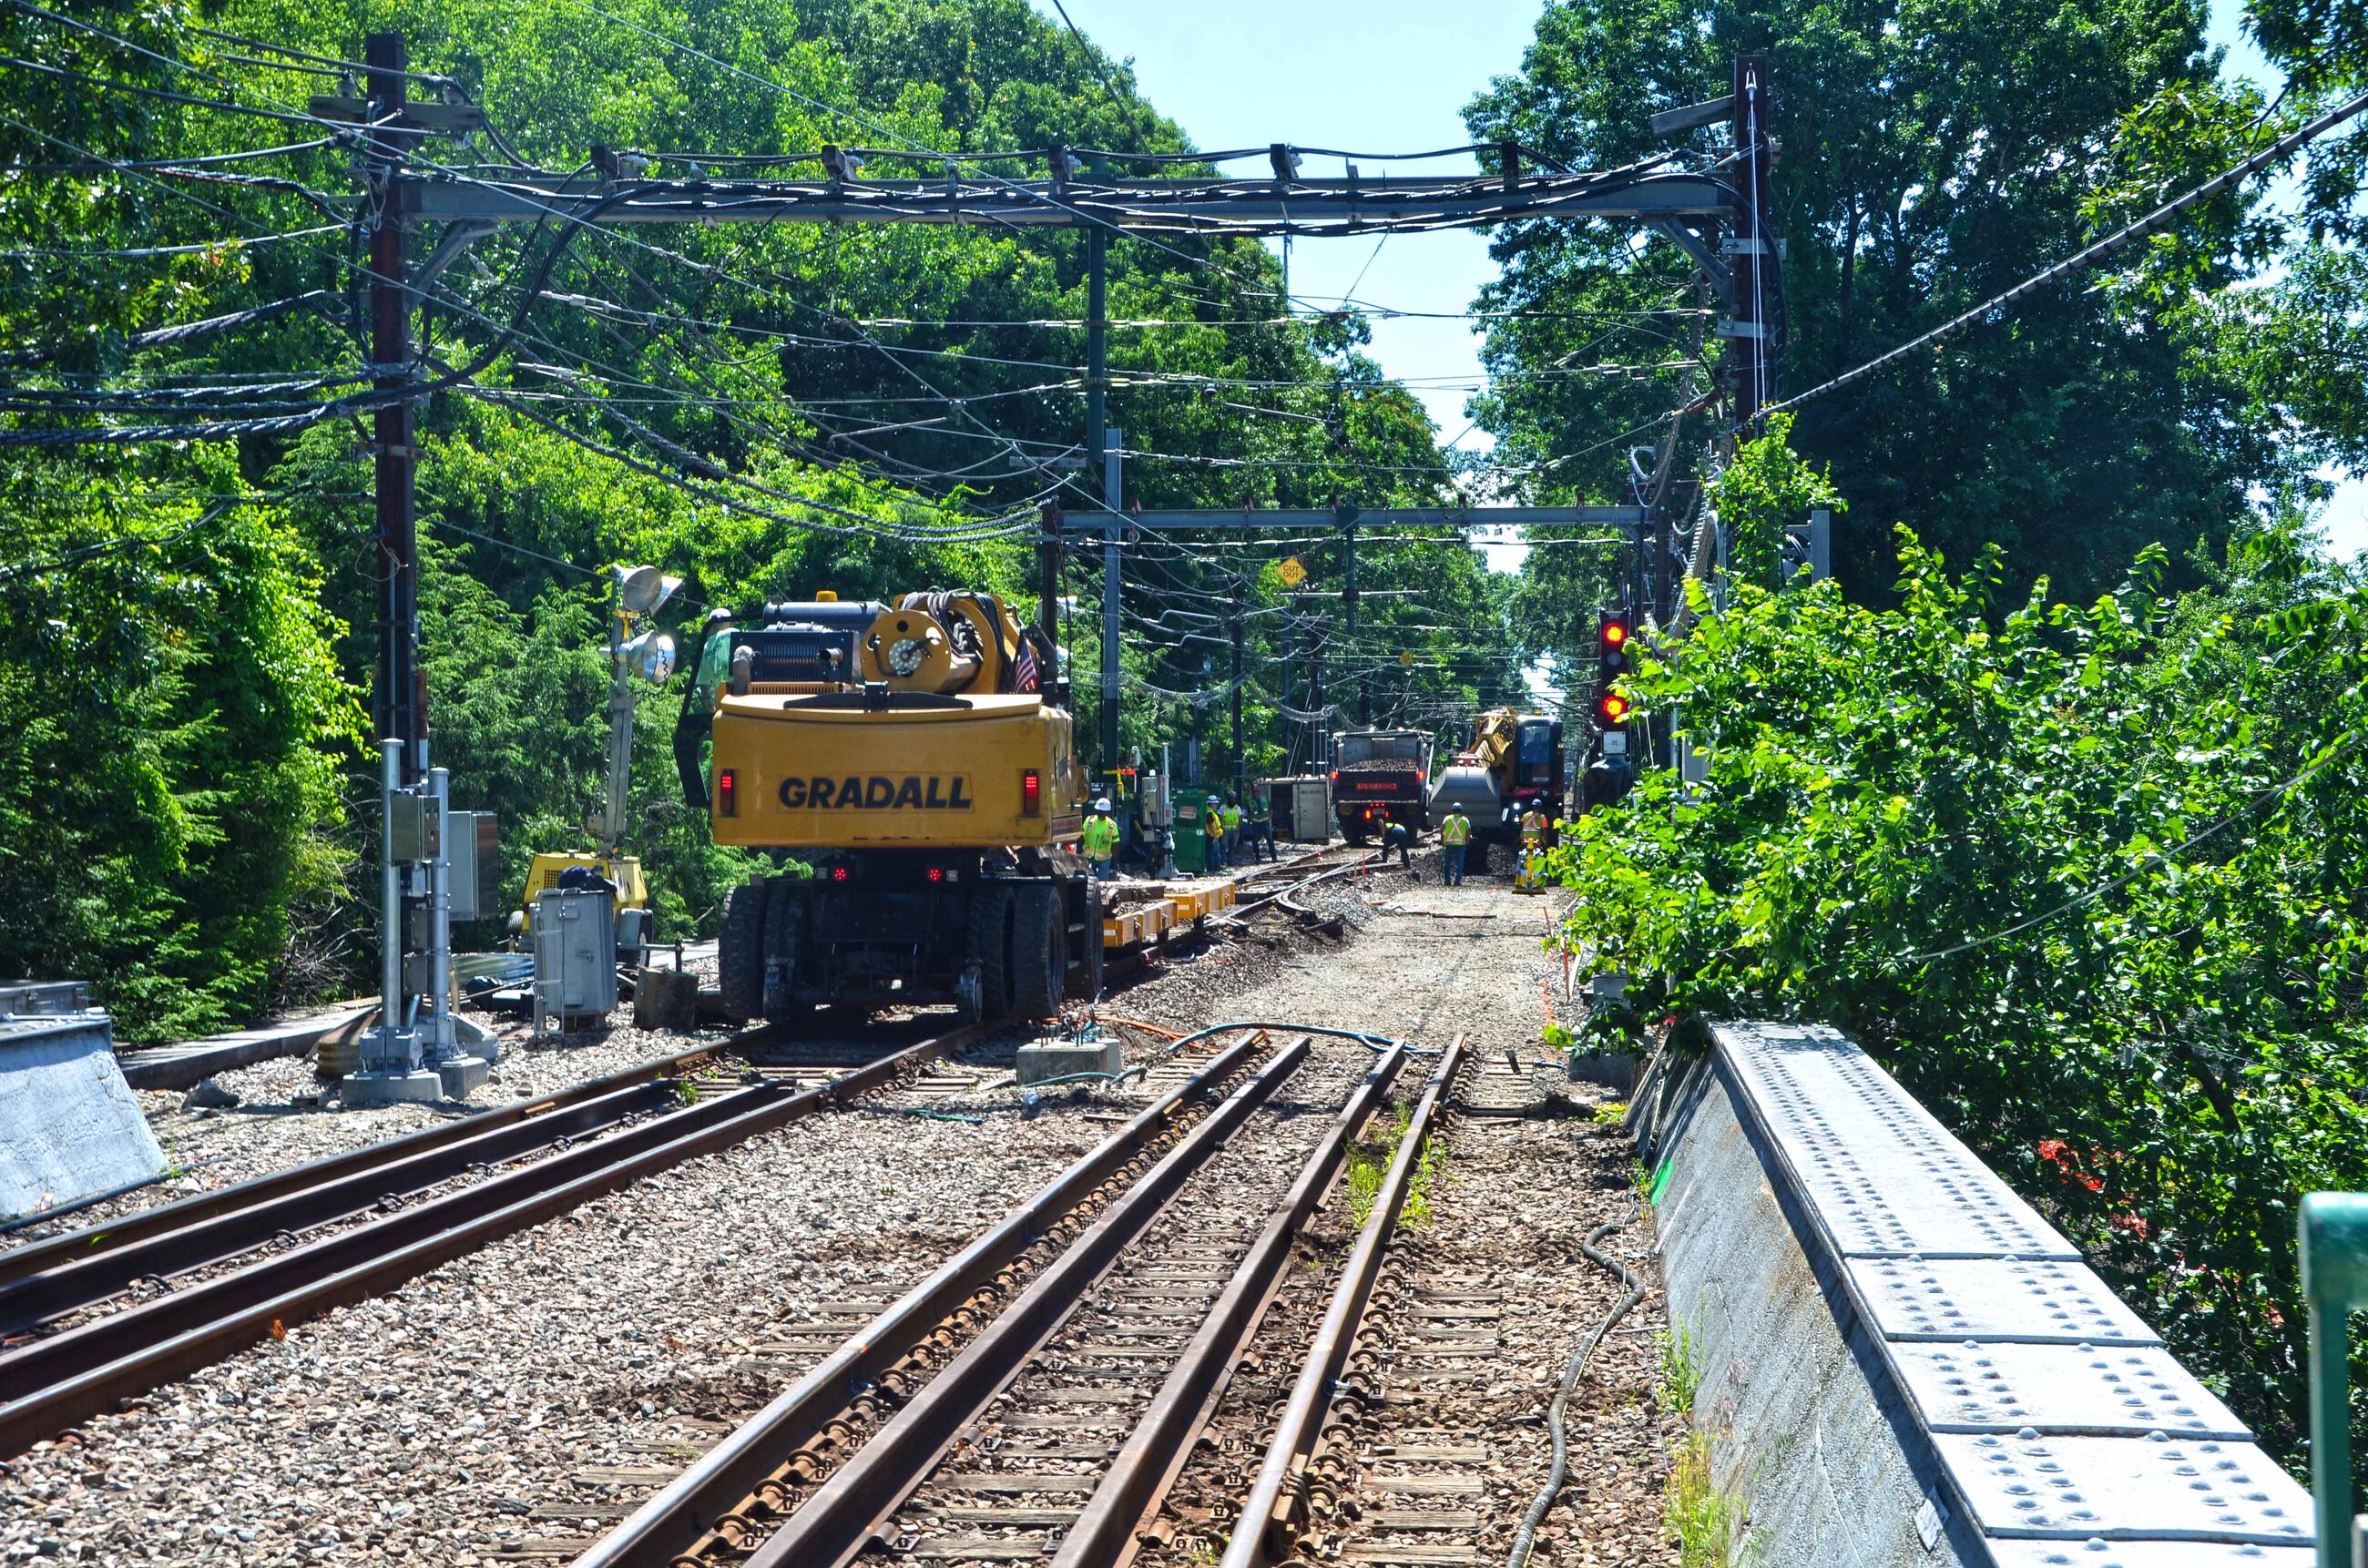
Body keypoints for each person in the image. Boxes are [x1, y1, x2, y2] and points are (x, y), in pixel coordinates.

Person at [1081, 798, 1119, 881]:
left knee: (1103, 883)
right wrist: (1079, 854)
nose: (1101, 813)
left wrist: (1115, 862)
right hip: (1088, 858)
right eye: (1100, 811)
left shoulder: (1112, 825)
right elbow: (1081, 837)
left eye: (1103, 811)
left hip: (1104, 860)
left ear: (1107, 812)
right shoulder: (1089, 820)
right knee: (1086, 882)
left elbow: (1115, 845)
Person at [1439, 804, 1471, 887]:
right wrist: (1467, 841)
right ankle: (1457, 882)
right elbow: (1468, 832)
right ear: (1461, 811)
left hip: (1449, 844)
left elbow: (1441, 829)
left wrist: (1442, 837)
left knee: (1447, 863)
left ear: (1453, 810)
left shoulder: (1447, 818)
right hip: (1460, 845)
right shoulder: (1465, 820)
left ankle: (1447, 881)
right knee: (1460, 863)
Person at [1246, 791, 1276, 862]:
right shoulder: (1250, 802)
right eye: (1254, 791)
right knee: (1255, 841)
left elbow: (1271, 809)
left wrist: (1269, 818)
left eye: (1257, 791)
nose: (1256, 793)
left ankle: (1274, 857)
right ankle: (1258, 858)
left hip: (1265, 823)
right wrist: (1249, 826)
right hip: (1255, 824)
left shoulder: (1265, 799)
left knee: (1270, 841)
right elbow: (1249, 815)